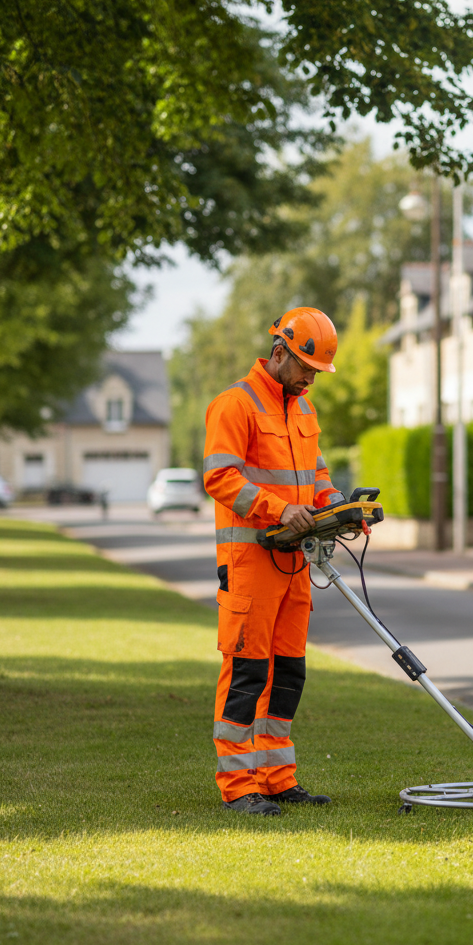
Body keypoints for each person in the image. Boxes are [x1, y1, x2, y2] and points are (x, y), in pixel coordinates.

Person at [202, 307, 343, 816]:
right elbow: (220, 477)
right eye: (306, 367)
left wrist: (336, 506)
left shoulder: (303, 409)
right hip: (250, 561)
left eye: (317, 371)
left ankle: (276, 777)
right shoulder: (234, 404)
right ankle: (238, 785)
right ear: (279, 352)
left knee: (287, 672)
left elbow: (317, 473)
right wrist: (279, 509)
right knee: (247, 672)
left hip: (294, 562)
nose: (311, 379)